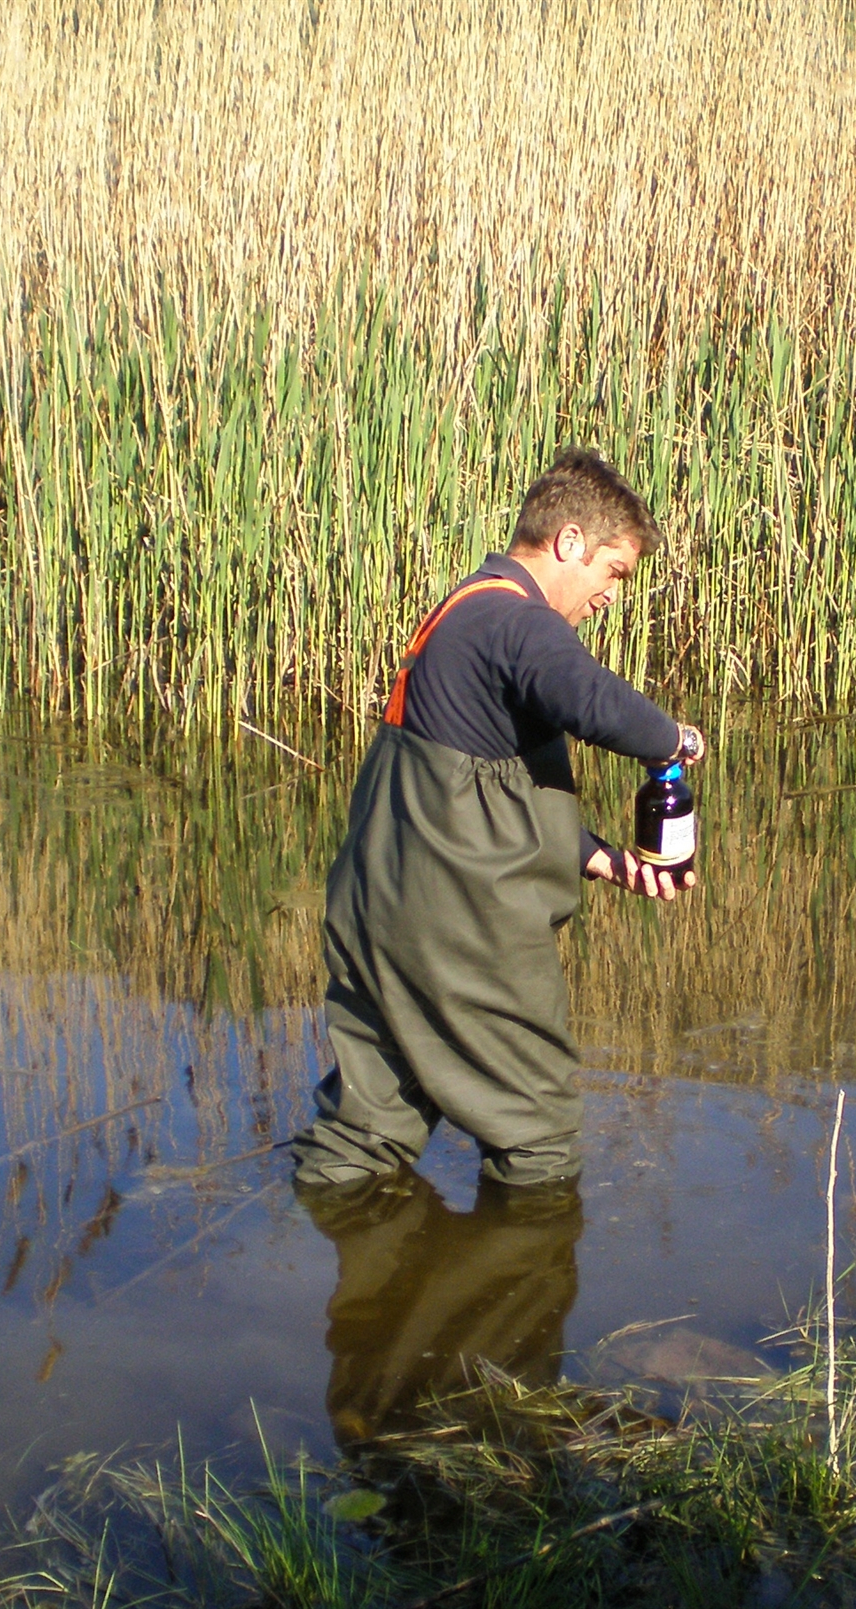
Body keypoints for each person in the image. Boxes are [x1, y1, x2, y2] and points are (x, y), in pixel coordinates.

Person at [290, 448, 704, 1191]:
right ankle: (522, 1296)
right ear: (568, 542)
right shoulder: (516, 621)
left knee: (365, 1131)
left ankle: (314, 1287)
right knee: (537, 1138)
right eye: (614, 571)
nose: (612, 596)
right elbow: (591, 699)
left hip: (376, 913)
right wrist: (672, 740)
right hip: (459, 932)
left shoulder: (461, 615)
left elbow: (484, 789)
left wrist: (602, 858)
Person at [303, 1172, 583, 1440]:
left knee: (357, 1156)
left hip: (378, 1420)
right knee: (536, 1174)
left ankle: (339, 1186)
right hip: (478, 1429)